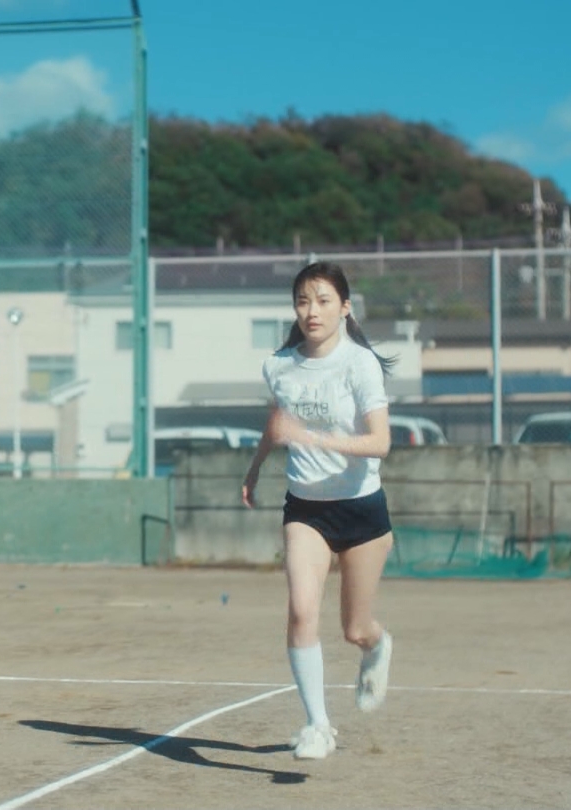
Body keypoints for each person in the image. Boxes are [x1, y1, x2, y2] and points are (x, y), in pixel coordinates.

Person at [240, 261, 396, 761]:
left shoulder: (359, 364)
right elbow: (278, 421)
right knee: (302, 611)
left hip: (362, 510)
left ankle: (377, 646)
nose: (312, 311)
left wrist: (315, 438)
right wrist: (255, 468)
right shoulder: (279, 366)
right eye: (303, 301)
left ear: (345, 308)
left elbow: (380, 442)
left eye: (324, 300)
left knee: (355, 629)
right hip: (305, 509)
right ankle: (317, 725)